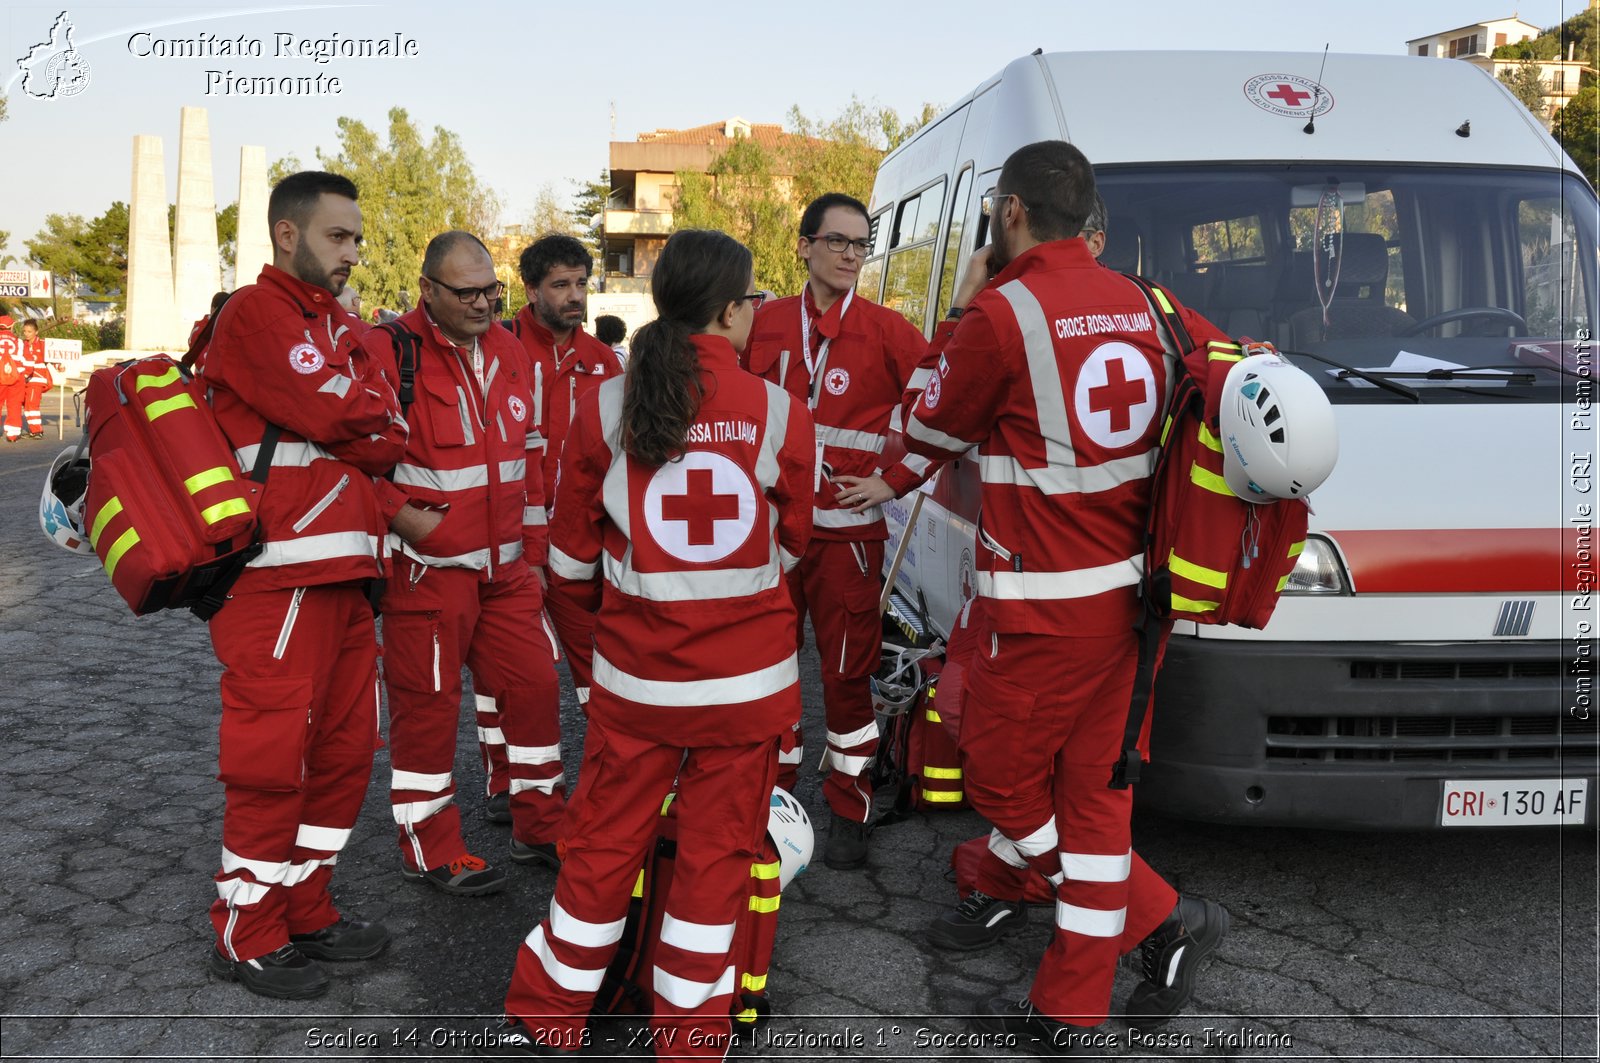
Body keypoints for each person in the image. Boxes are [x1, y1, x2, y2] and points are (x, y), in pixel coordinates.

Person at [902, 142, 1228, 1053]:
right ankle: (1069, 1009)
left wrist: (966, 301)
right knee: (1093, 805)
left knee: (1000, 779)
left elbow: (926, 420)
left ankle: (1159, 916)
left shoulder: (1001, 312)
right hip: (1135, 609)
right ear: (1087, 215)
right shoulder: (1153, 304)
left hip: (1044, 611)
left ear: (1009, 212)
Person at [484, 229, 814, 1058]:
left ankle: (546, 1013)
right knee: (712, 869)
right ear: (734, 311)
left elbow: (566, 566)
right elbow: (797, 541)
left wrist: (603, 666)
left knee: (598, 851)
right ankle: (690, 1039)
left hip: (637, 693)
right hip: (744, 698)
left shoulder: (604, 404)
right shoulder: (779, 411)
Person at [197, 170, 407, 1000]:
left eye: (356, 237)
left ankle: (304, 905)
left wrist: (370, 411)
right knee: (271, 759)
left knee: (344, 753)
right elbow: (346, 416)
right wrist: (369, 412)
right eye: (339, 236)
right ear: (288, 235)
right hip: (275, 578)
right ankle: (244, 928)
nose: (353, 251)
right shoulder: (257, 314)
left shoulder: (335, 323)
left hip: (347, 574)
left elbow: (390, 419)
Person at [362, 231, 566, 898]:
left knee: (536, 688)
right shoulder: (388, 351)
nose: (484, 302)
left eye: (492, 290)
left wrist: (533, 557)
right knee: (428, 709)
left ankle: (538, 825)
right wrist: (399, 515)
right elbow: (349, 460)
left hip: (506, 572)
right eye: (467, 292)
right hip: (427, 571)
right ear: (428, 291)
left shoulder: (511, 351)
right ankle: (429, 845)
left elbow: (530, 457)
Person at [741, 192, 931, 870]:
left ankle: (850, 802)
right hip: (769, 533)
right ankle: (773, 798)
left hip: (850, 535)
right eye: (838, 241)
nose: (852, 254)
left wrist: (895, 479)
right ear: (804, 245)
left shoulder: (888, 329)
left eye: (861, 243)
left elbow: (942, 400)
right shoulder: (760, 322)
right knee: (767, 670)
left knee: (848, 675)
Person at [495, 234, 623, 811]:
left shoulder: (605, 360)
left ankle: (608, 791)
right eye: (560, 285)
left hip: (581, 544)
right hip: (508, 540)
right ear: (530, 289)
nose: (575, 297)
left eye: (581, 284)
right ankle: (505, 784)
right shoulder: (496, 350)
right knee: (509, 677)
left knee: (598, 669)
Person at [19, 319, 52, 438]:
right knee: (27, 405)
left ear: (36, 332)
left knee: (32, 404)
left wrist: (60, 366)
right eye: (25, 331)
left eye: (29, 331)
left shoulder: (43, 344)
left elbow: (53, 357)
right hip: (24, 379)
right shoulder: (21, 344)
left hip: (37, 379)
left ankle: (37, 431)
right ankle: (33, 430)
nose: (27, 334)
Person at [0, 317, 24, 443]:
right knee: (14, 404)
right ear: (11, 326)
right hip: (16, 376)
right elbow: (26, 360)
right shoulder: (18, 341)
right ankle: (12, 434)